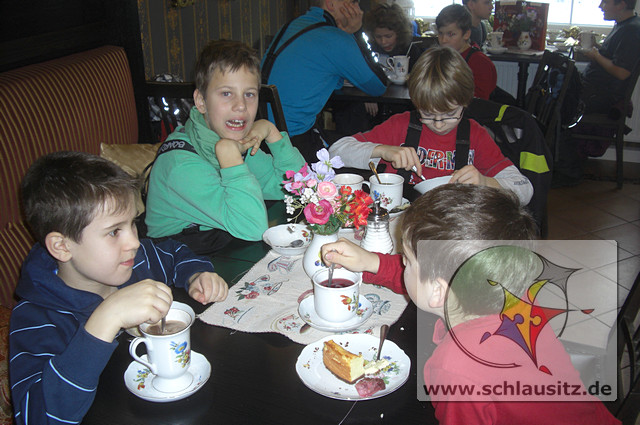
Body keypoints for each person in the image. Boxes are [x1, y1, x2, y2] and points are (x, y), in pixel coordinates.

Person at [321, 184, 621, 425]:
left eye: (407, 261)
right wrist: (371, 262)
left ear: (439, 291)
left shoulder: (456, 369)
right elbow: (431, 286)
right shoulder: (513, 296)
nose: (402, 265)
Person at [10, 151, 229, 425]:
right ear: (62, 246)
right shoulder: (35, 318)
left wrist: (197, 273)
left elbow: (174, 254)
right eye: (114, 231)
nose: (134, 242)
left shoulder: (134, 262)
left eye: (133, 224)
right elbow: (38, 418)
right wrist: (107, 317)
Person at [144, 40, 305, 255]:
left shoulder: (228, 139)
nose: (241, 106)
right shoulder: (180, 166)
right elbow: (254, 228)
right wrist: (230, 159)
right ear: (201, 101)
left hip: (222, 253)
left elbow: (299, 188)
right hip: (174, 271)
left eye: (249, 94)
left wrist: (270, 131)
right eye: (226, 93)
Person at [329, 46, 532, 206]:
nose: (438, 124)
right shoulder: (401, 126)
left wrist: (486, 183)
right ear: (416, 103)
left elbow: (525, 190)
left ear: (466, 102)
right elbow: (335, 152)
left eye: (450, 114)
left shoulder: (474, 135)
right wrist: (383, 150)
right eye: (427, 114)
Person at [261, 0, 388, 162]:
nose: (359, 10)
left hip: (261, 133)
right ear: (331, 4)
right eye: (353, 2)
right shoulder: (335, 38)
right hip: (292, 142)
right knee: (349, 154)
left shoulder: (293, 25)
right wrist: (357, 32)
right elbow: (378, 86)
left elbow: (334, 82)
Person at [554, 0, 640, 186]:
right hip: (596, 90)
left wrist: (595, 56)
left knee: (557, 105)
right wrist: (598, 50)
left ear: (621, 4)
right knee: (550, 92)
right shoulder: (623, 26)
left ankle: (567, 171)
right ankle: (561, 163)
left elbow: (621, 72)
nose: (600, 6)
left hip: (604, 97)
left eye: (605, 2)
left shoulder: (632, 31)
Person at [334, 2, 425, 135]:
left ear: (398, 33)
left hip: (400, 105)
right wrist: (368, 95)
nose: (383, 42)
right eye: (378, 37)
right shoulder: (369, 48)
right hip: (373, 101)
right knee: (351, 111)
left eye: (388, 36)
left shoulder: (410, 50)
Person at [436, 4, 497, 100]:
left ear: (466, 34)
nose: (443, 40)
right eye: (440, 33)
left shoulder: (480, 63)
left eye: (451, 34)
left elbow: (478, 103)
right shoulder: (441, 56)